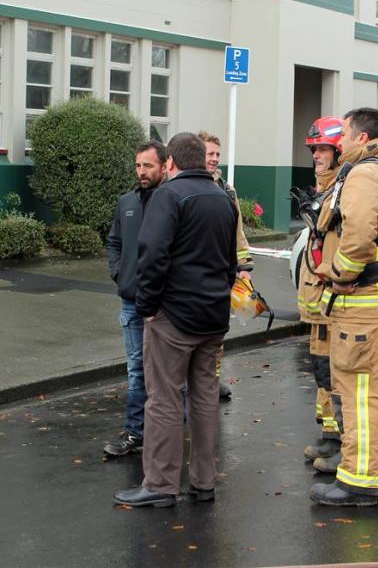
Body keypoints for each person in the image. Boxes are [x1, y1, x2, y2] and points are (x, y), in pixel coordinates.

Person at [113, 132, 237, 508]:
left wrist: (148, 306)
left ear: (170, 163)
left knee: (163, 400)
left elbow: (152, 254)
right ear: (203, 159)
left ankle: (161, 485)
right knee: (202, 399)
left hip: (173, 318)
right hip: (213, 317)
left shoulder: (169, 196)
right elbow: (230, 261)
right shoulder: (224, 198)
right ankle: (203, 482)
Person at [310, 108, 378, 507]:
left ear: (362, 138)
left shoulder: (364, 174)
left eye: (345, 136)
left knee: (361, 392)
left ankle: (359, 480)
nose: (338, 144)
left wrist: (338, 272)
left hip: (369, 308)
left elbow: (357, 235)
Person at [104, 140, 167, 457]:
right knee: (136, 370)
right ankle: (135, 433)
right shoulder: (126, 202)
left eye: (148, 166)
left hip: (163, 305)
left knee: (166, 372)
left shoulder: (170, 202)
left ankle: (166, 432)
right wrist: (119, 273)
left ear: (164, 166)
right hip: (131, 302)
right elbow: (114, 242)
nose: (142, 172)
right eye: (138, 165)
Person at [297, 116, 343, 470]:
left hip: (333, 298)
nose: (316, 155)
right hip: (318, 300)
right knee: (321, 366)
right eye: (314, 150)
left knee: (335, 369)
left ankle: (341, 437)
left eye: (323, 149)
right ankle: (329, 433)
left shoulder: (342, 189)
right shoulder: (325, 188)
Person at [198, 130, 254, 399]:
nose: (214, 159)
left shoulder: (227, 190)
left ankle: (213, 381)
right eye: (210, 154)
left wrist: (244, 267)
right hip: (195, 273)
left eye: (217, 154)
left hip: (223, 273)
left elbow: (238, 232)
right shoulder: (183, 185)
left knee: (218, 332)